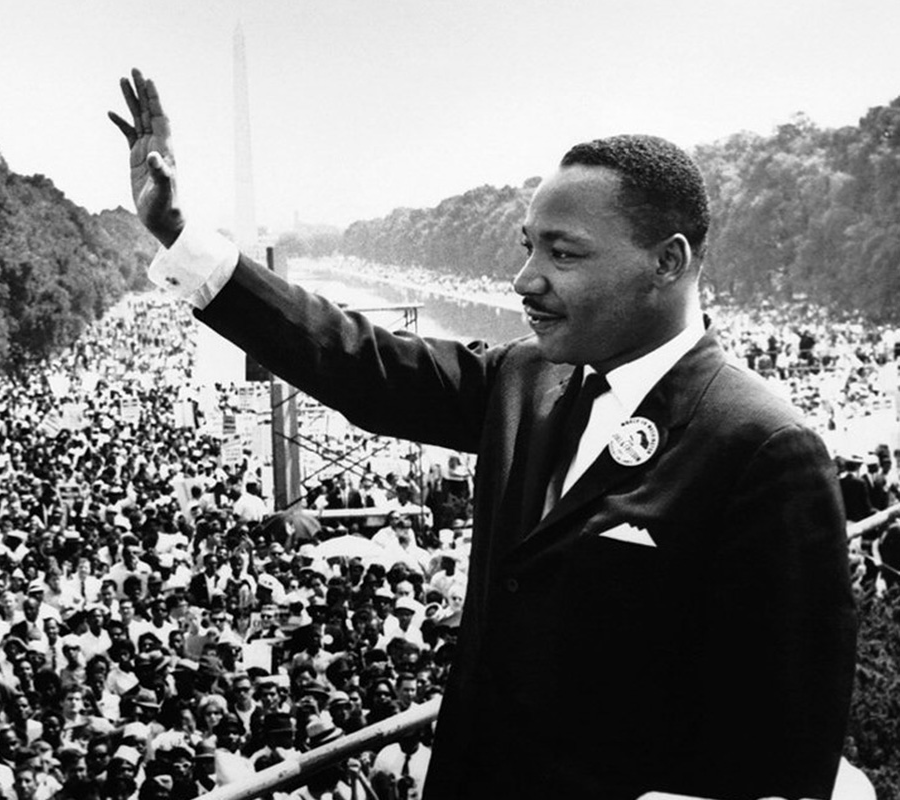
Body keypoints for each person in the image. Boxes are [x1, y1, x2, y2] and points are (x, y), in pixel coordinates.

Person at [110, 69, 856, 800]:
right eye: (526, 246)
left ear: (668, 262)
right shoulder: (525, 377)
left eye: (562, 254)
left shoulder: (764, 448)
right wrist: (181, 235)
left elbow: (780, 755)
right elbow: (355, 362)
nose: (524, 279)